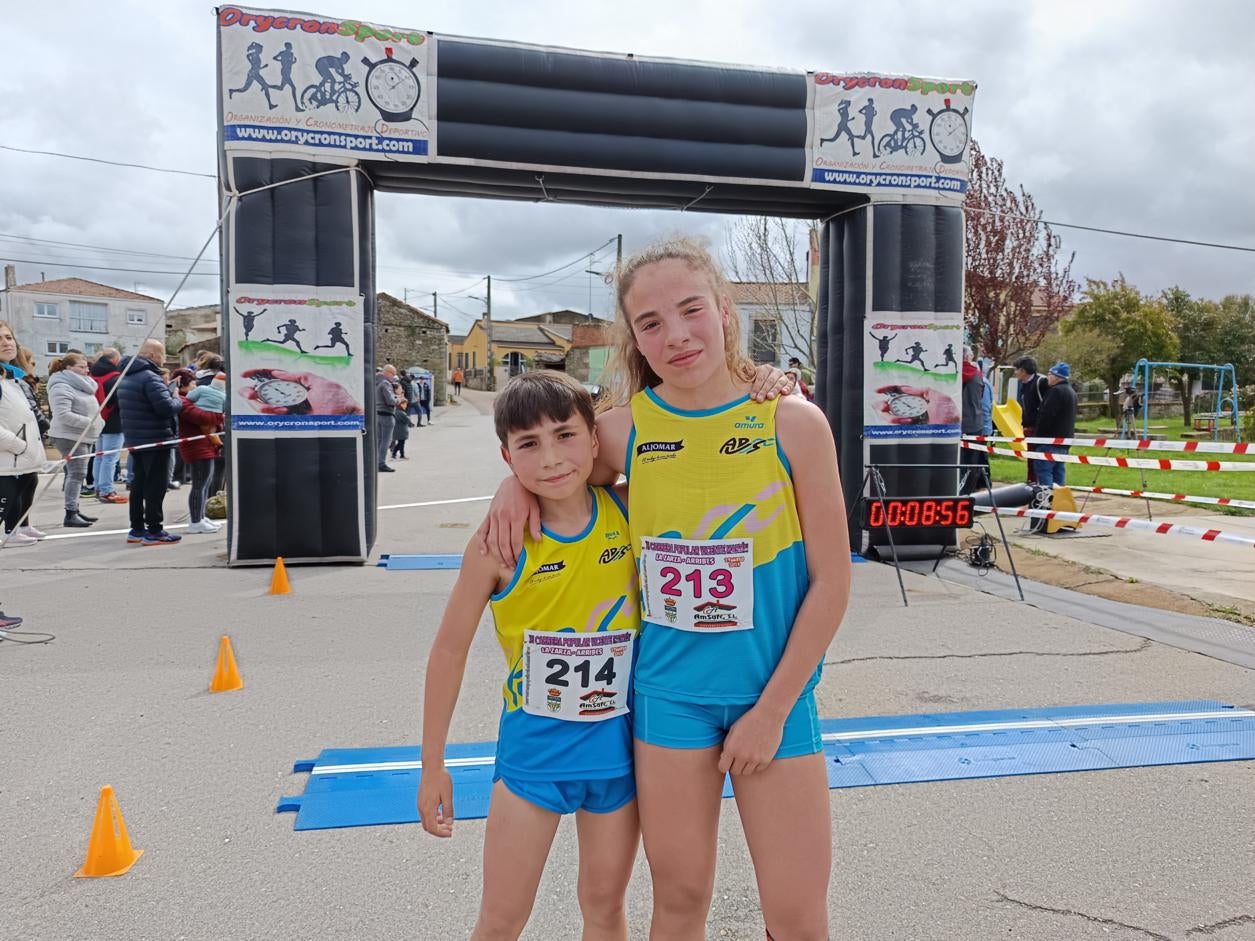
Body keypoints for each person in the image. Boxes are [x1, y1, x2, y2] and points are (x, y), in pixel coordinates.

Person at [481, 239, 849, 940]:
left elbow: (832, 581)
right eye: (650, 322)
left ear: (723, 311)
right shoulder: (621, 432)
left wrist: (770, 711)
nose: (676, 334)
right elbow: (552, 460)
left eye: (690, 310)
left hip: (774, 698)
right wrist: (508, 483)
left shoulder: (792, 422)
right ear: (635, 340)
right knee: (678, 903)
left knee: (798, 917)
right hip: (667, 702)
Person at [418, 371, 640, 941]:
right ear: (506, 456)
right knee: (501, 919)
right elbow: (448, 650)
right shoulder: (497, 545)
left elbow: (672, 418)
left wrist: (767, 379)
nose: (551, 459)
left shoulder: (632, 511)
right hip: (533, 760)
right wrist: (431, 764)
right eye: (529, 445)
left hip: (620, 760)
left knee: (605, 909)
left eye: (566, 436)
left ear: (595, 441)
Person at [117, 339, 183, 546]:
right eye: (162, 354)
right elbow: (165, 407)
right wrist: (176, 397)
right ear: (154, 355)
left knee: (139, 484)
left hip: (137, 438)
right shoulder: (150, 378)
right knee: (156, 486)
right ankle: (154, 530)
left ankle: (136, 528)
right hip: (156, 438)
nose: (164, 358)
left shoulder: (128, 377)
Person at [0, 322, 46, 547]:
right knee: (9, 492)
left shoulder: (11, 376)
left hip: (19, 452)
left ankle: (19, 527)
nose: (6, 343)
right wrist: (18, 445)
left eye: (8, 337)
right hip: (8, 453)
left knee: (27, 484)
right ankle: (10, 530)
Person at [46, 353, 104, 528]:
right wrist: (90, 422)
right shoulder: (61, 386)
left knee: (79, 473)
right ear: (67, 368)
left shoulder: (82, 384)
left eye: (87, 367)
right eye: (81, 367)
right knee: (77, 473)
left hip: (84, 434)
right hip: (68, 436)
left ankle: (75, 510)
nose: (86, 370)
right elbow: (63, 415)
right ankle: (70, 514)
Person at [174, 372, 226, 535]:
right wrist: (218, 417)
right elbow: (204, 418)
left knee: (204, 484)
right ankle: (196, 521)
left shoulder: (192, 399)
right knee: (199, 485)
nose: (195, 386)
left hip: (204, 445)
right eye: (193, 384)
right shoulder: (184, 401)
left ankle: (201, 517)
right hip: (197, 447)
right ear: (184, 385)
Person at [89, 348, 127, 505]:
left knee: (99, 456)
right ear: (115, 360)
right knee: (110, 458)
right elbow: (122, 402)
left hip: (98, 421)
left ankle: (98, 487)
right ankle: (106, 490)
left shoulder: (92, 375)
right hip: (114, 422)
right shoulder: (116, 378)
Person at [1033, 362, 1077, 488]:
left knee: (1044, 473)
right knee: (1058, 474)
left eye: (1049, 374)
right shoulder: (1071, 392)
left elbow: (1046, 416)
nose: (1047, 377)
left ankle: (1047, 501)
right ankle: (1059, 501)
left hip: (1048, 441)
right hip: (1064, 441)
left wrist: (1038, 437)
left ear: (1057, 376)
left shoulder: (1055, 392)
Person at [1014, 355, 1049, 484]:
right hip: (1028, 427)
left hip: (1039, 428)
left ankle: (1040, 485)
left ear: (1023, 370)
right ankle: (1031, 482)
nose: (1015, 373)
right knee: (1031, 459)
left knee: (1039, 460)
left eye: (1016, 369)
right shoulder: (1023, 385)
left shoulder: (1041, 382)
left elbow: (1047, 406)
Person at [958, 346, 989, 494]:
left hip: (954, 424)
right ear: (968, 357)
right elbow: (981, 398)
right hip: (975, 423)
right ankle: (966, 496)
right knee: (971, 464)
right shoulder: (978, 375)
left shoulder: (953, 373)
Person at [375, 365, 399, 472]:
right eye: (393, 374)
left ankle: (376, 462)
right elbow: (391, 401)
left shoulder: (375, 382)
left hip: (377, 413)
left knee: (379, 440)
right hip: (387, 414)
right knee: (386, 441)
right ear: (388, 372)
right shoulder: (385, 383)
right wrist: (398, 399)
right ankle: (381, 463)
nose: (394, 377)